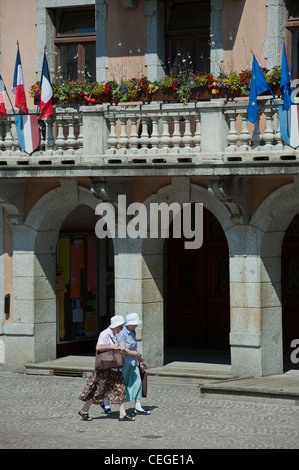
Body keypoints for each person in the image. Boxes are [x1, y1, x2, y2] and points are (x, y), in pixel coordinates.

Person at [78, 315, 135, 422]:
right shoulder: (105, 333)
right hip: (104, 369)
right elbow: (98, 347)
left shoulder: (116, 334)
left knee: (121, 389)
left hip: (114, 368)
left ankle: (123, 414)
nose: (122, 328)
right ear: (115, 326)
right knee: (98, 390)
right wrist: (113, 347)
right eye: (120, 326)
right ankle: (84, 410)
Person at [117, 312, 151, 416]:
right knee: (124, 384)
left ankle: (138, 405)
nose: (136, 325)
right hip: (124, 363)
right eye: (135, 324)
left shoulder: (133, 331)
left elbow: (133, 347)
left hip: (133, 362)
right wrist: (136, 354)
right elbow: (123, 350)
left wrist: (139, 358)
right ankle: (111, 405)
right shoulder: (122, 332)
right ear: (129, 324)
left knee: (137, 383)